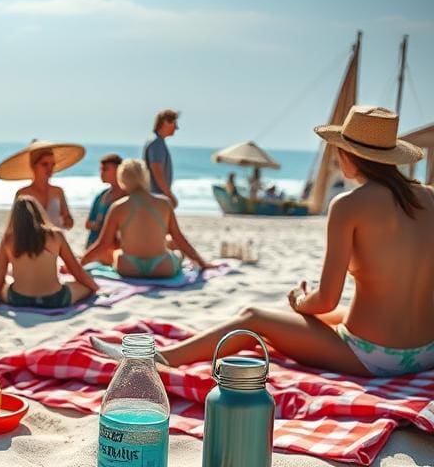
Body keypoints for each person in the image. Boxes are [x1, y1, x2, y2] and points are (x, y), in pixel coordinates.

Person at [122, 106, 434, 377]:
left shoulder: (348, 205)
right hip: (425, 352)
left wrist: (300, 301)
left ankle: (161, 359)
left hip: (374, 356)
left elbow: (326, 299)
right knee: (316, 316)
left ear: (349, 154)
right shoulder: (429, 198)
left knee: (255, 318)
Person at [81, 159, 211, 276]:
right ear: (144, 177)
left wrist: (79, 265)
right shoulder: (164, 203)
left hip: (128, 267)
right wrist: (202, 263)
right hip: (161, 267)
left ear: (122, 179)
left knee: (113, 253)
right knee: (175, 247)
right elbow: (180, 239)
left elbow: (103, 244)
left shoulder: (118, 206)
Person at [0, 195, 99, 309]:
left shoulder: (8, 239)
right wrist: (95, 288)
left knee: (4, 287)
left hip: (19, 299)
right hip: (55, 299)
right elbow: (76, 271)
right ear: (39, 213)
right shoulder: (55, 235)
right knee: (85, 288)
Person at [0, 140, 83, 229]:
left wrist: (66, 220)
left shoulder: (58, 191)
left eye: (52, 164)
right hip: (30, 242)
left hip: (56, 241)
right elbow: (12, 226)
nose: (50, 169)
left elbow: (69, 224)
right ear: (33, 165)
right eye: (44, 164)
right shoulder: (22, 193)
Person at [85, 153, 126, 248]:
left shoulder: (127, 196)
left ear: (118, 170)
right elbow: (88, 223)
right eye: (101, 169)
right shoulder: (101, 196)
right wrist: (98, 225)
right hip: (94, 245)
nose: (101, 173)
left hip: (114, 248)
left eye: (106, 169)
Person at [143, 109, 179, 207]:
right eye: (174, 123)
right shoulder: (157, 143)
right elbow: (156, 169)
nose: (176, 128)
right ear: (165, 122)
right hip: (156, 197)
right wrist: (168, 194)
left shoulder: (156, 142)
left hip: (153, 195)